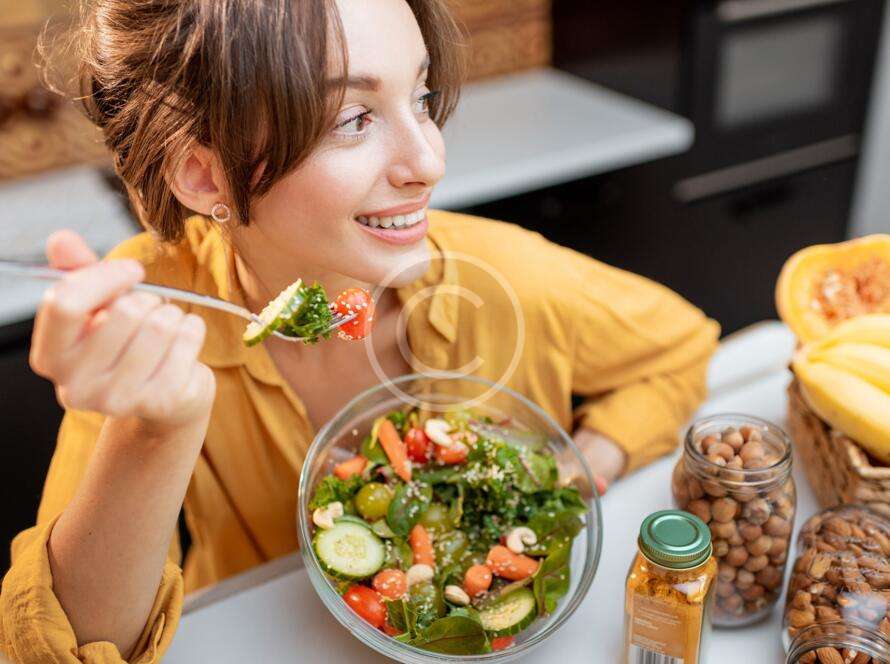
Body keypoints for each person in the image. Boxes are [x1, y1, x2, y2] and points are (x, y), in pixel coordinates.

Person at [0, 1, 720, 662]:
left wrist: (581, 463)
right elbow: (62, 648)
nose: (430, 162)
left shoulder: (511, 278)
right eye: (354, 119)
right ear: (205, 175)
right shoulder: (158, 311)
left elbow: (683, 348)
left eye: (423, 98)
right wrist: (153, 430)